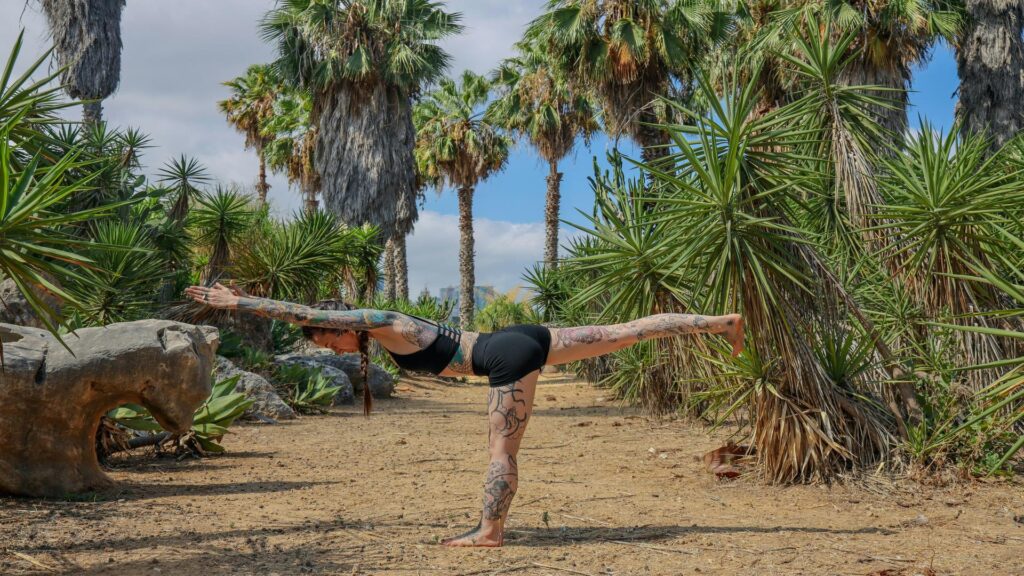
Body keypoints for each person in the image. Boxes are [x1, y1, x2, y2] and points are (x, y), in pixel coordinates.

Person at [185, 283, 744, 547]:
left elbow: (304, 306)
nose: (325, 346)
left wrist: (240, 304)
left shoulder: (380, 318)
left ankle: (490, 531)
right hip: (519, 338)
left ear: (339, 326)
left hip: (502, 356)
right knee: (626, 332)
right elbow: (313, 313)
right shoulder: (381, 331)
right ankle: (721, 322)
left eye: (322, 338)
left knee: (502, 452)